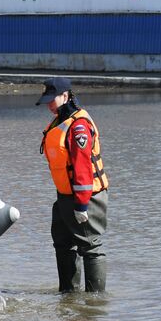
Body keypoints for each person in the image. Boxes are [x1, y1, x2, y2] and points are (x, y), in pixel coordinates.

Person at [36, 77, 110, 293]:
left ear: (66, 96)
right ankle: (68, 296)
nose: (49, 104)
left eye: (53, 99)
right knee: (62, 244)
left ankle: (94, 303)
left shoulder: (78, 127)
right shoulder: (60, 121)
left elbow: (82, 168)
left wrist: (82, 206)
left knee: (90, 246)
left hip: (87, 197)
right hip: (65, 197)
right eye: (46, 100)